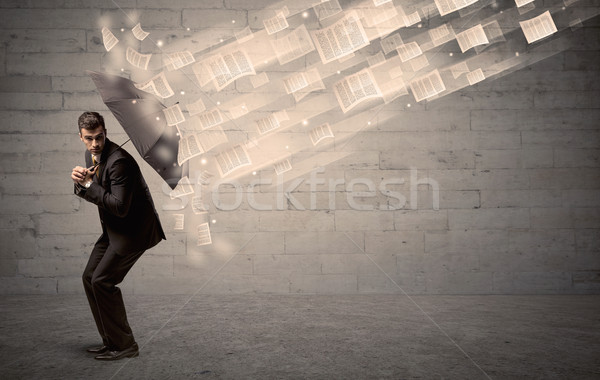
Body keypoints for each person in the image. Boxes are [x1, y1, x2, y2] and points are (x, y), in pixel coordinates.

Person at [71, 112, 165, 360]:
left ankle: (125, 346)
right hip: (113, 230)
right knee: (89, 277)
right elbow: (95, 191)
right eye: (89, 138)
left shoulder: (119, 162)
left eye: (99, 137)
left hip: (133, 233)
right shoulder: (91, 155)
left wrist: (90, 186)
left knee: (102, 281)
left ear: (105, 133)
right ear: (80, 137)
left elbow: (119, 206)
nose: (95, 144)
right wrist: (81, 182)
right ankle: (111, 341)